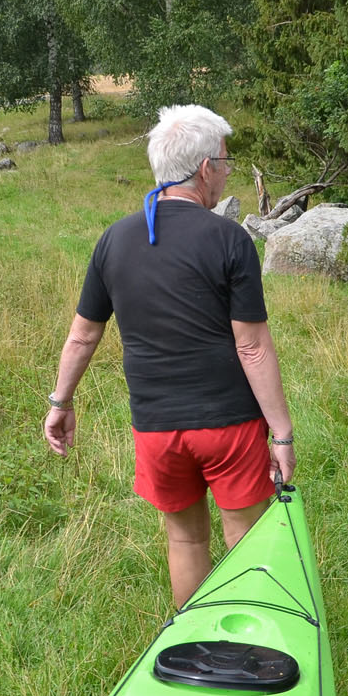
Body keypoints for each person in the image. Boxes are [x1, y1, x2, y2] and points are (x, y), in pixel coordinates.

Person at [43, 104, 296, 607]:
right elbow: (251, 344)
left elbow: (82, 336)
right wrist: (283, 434)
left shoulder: (113, 239)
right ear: (205, 169)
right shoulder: (229, 238)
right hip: (229, 427)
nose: (226, 172)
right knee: (249, 543)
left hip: (157, 430)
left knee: (185, 540)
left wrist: (60, 403)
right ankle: (252, 652)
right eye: (224, 162)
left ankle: (196, 656)